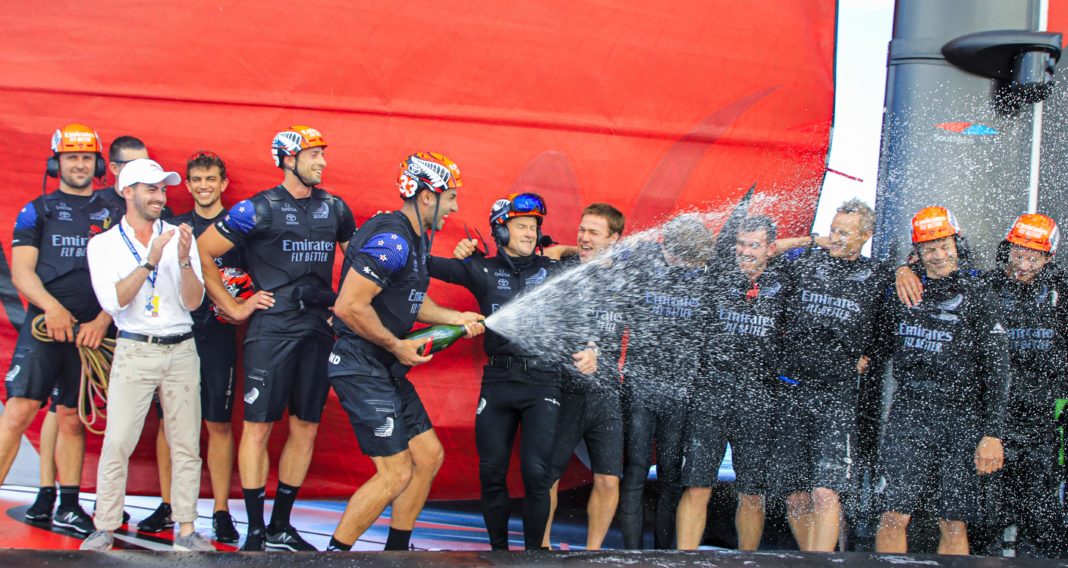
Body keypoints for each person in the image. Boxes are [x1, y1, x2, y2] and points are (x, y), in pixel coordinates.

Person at [196, 125, 356, 551]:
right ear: (288, 159)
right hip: (271, 330)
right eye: (313, 155)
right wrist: (234, 307)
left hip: (319, 329)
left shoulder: (336, 207)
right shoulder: (258, 208)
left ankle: (281, 526)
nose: (322, 162)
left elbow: (359, 261)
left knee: (305, 426)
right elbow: (202, 251)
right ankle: (253, 530)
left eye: (323, 154)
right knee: (258, 427)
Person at [325, 152, 484, 552]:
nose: (455, 207)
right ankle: (332, 557)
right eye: (450, 197)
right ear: (427, 197)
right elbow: (348, 306)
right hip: (361, 364)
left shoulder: (413, 240)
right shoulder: (393, 240)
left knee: (428, 456)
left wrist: (456, 317)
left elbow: (411, 300)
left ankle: (397, 552)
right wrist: (398, 345)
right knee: (394, 473)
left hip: (384, 365)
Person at [429, 192, 598, 550]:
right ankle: (499, 554)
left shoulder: (553, 271)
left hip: (542, 383)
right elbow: (423, 264)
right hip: (499, 382)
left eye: (535, 227)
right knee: (491, 474)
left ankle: (535, 555)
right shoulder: (481, 268)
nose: (530, 233)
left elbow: (591, 272)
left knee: (537, 475)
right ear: (500, 231)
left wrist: (591, 347)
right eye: (521, 226)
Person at [899, 213, 1068, 556]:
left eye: (1033, 257)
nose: (1023, 263)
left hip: (1042, 423)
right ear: (1006, 250)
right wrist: (902, 269)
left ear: (1049, 257)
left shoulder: (1061, 292)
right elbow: (937, 272)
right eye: (1018, 254)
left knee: (1042, 518)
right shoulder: (982, 285)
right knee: (985, 517)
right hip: (992, 422)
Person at [81, 158, 212, 551]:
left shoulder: (179, 235)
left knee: (187, 442)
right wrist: (151, 259)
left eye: (163, 189)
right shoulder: (102, 244)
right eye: (152, 189)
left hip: (181, 346)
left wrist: (186, 259)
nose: (161, 196)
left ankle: (187, 528)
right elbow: (114, 300)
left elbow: (193, 302)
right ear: (128, 192)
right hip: (135, 346)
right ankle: (105, 523)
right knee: (118, 440)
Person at [873, 206, 1010, 555]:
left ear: (956, 242)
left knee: (952, 520)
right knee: (893, 515)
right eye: (930, 248)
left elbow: (998, 370)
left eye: (944, 245)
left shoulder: (979, 293)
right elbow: (876, 342)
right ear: (917, 252)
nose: (939, 254)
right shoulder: (901, 288)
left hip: (962, 417)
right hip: (909, 413)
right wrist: (898, 272)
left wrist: (992, 433)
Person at [0, 124, 116, 536]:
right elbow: (22, 272)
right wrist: (52, 308)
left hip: (92, 333)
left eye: (86, 158)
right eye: (71, 157)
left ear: (98, 164)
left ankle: (68, 505)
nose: (80, 165)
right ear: (56, 163)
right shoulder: (38, 210)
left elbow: (127, 273)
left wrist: (103, 320)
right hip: (45, 327)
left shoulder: (114, 211)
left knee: (71, 416)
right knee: (19, 411)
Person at [774, 199, 891, 552]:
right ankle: (812, 558)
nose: (835, 237)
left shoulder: (878, 275)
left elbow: (889, 328)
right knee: (794, 495)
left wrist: (871, 354)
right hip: (791, 387)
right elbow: (769, 251)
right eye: (834, 229)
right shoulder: (805, 261)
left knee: (825, 491)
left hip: (836, 394)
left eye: (844, 232)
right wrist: (812, 240)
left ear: (866, 236)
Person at [137, 151, 242, 542]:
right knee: (169, 423)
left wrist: (239, 304)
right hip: (177, 336)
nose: (203, 186)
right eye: (196, 179)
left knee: (217, 423)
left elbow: (255, 276)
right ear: (188, 183)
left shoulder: (239, 226)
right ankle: (167, 505)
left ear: (223, 183)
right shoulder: (173, 226)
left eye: (210, 179)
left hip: (218, 338)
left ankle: (220, 511)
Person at [676, 215, 788, 551]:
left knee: (751, 490)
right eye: (740, 243)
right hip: (712, 392)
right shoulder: (717, 275)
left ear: (771, 248)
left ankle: (747, 559)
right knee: (697, 486)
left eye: (754, 245)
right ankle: (684, 559)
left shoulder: (785, 281)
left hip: (758, 395)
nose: (744, 251)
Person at [615, 213, 714, 550]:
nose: (679, 262)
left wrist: (810, 240)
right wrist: (637, 242)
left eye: (688, 258)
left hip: (682, 390)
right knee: (636, 471)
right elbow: (610, 254)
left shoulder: (708, 275)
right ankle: (632, 554)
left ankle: (664, 554)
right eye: (675, 254)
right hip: (641, 385)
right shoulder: (645, 260)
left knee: (672, 476)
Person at [538, 203, 627, 550]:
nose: (584, 237)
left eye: (594, 232)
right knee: (549, 476)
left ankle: (593, 554)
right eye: (582, 229)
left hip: (605, 395)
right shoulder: (562, 268)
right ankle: (541, 547)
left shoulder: (625, 276)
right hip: (565, 391)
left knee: (608, 479)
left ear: (614, 238)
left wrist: (597, 353)